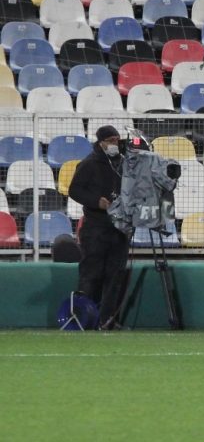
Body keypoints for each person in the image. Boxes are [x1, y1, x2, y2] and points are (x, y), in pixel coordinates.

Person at [68, 125, 128, 329]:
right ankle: (84, 318)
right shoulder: (89, 164)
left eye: (117, 140)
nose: (114, 144)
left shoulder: (123, 163)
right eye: (110, 140)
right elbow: (74, 190)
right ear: (101, 142)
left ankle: (107, 320)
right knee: (91, 274)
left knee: (115, 276)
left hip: (119, 228)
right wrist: (96, 201)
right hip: (95, 227)